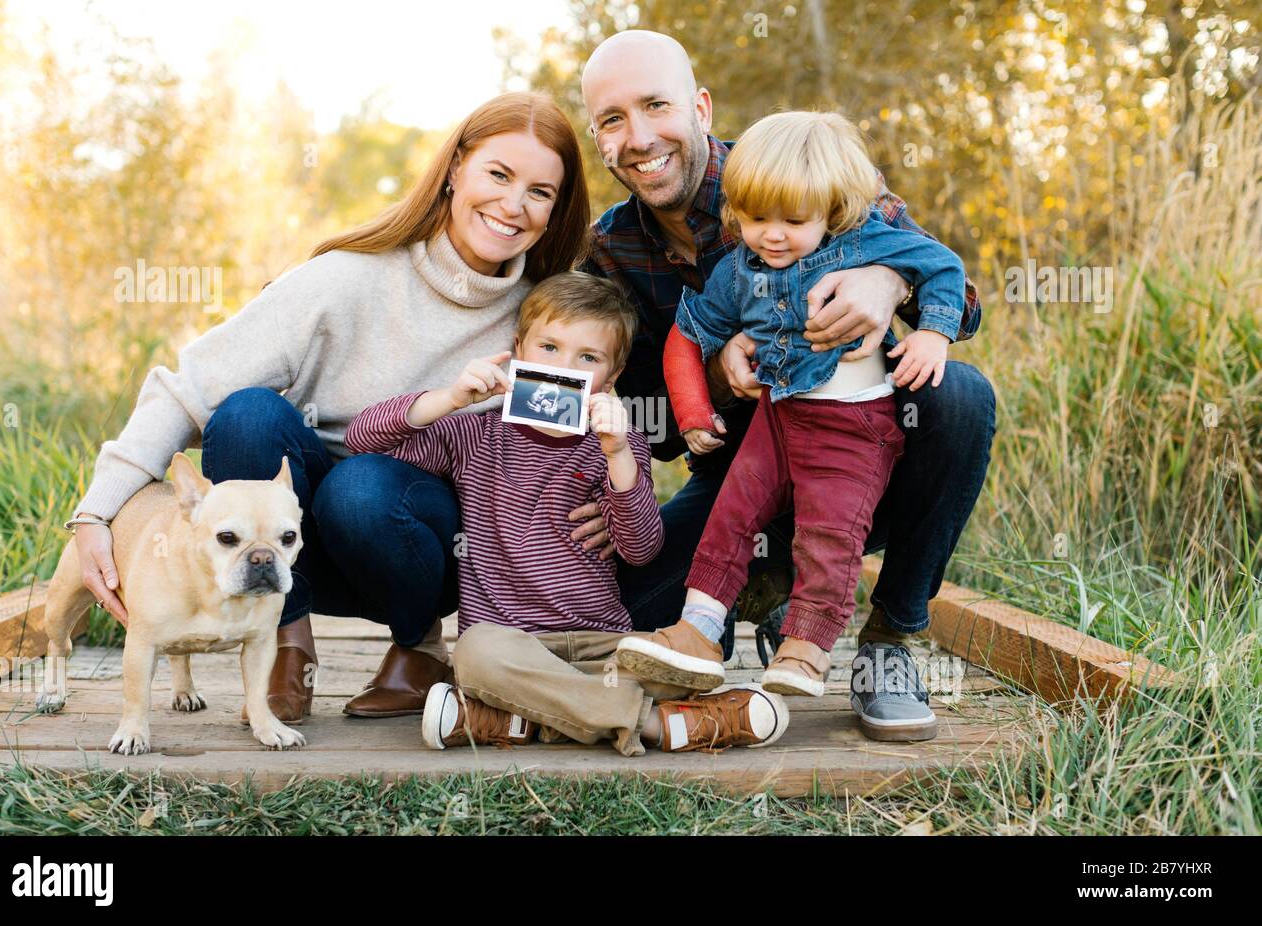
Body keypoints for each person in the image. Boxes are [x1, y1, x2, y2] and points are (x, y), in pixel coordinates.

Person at [64, 92, 593, 724]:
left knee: (363, 488)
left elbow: (578, 432)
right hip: (296, 543)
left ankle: (418, 647)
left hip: (430, 548)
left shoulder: (544, 321)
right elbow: (187, 388)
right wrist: (97, 511)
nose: (513, 205)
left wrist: (607, 502)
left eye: (540, 191)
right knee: (248, 416)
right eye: (498, 175)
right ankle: (285, 637)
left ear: (556, 208)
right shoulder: (346, 279)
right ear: (454, 170)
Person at [579, 31, 997, 741]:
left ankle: (889, 642)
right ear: (597, 136)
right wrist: (709, 379)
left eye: (656, 105)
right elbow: (653, 422)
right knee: (620, 602)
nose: (640, 136)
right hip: (742, 473)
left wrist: (885, 279)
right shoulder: (611, 248)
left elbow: (965, 302)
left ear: (701, 107)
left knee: (959, 397)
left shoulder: (801, 166)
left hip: (860, 454)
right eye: (613, 119)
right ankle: (761, 598)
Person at [345, 272, 788, 755]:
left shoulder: (618, 445)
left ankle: (520, 719)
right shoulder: (476, 435)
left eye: (588, 358)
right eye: (549, 348)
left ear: (611, 378)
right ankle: (659, 726)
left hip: (602, 643)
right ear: (518, 351)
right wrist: (449, 399)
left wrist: (619, 455)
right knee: (474, 655)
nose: (563, 367)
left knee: (663, 661)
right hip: (510, 646)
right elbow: (363, 439)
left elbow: (641, 550)